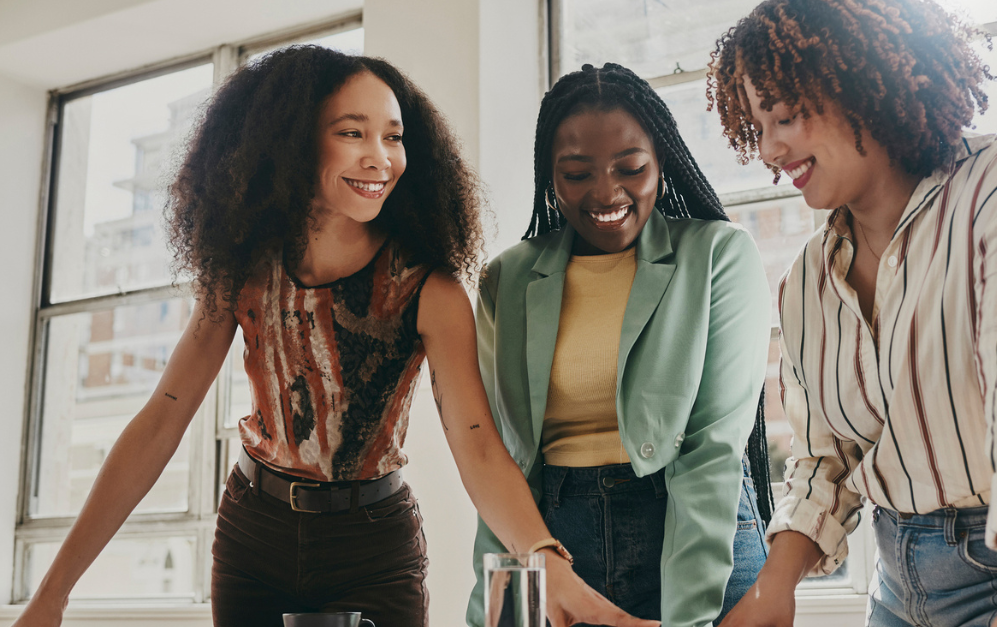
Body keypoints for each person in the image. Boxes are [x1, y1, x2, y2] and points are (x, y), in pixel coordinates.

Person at [14, 47, 655, 627]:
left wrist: (546, 561)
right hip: (253, 535)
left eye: (394, 136)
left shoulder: (429, 290)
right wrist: (53, 594)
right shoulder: (242, 274)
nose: (381, 157)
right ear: (293, 143)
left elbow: (480, 448)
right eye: (353, 133)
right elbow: (161, 421)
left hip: (372, 547)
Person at [707, 1, 997, 626]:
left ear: (863, 85)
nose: (768, 149)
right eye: (756, 127)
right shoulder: (805, 282)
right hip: (903, 581)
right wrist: (773, 586)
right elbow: (827, 461)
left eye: (784, 117)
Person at [469, 62, 775, 627]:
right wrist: (499, 596)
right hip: (557, 542)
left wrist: (688, 619)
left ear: (661, 161)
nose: (607, 192)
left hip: (692, 532)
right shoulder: (507, 278)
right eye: (577, 173)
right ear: (550, 176)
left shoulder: (717, 256)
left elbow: (711, 450)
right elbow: (503, 456)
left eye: (630, 168)